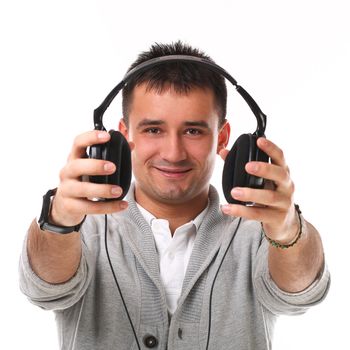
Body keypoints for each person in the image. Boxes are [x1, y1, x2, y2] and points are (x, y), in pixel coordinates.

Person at [19, 41, 330, 350]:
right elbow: (43, 291)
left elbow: (301, 294)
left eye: (193, 131)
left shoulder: (261, 230)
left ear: (222, 137)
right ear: (123, 136)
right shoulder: (77, 226)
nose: (173, 153)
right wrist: (58, 221)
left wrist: (288, 229)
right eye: (153, 130)